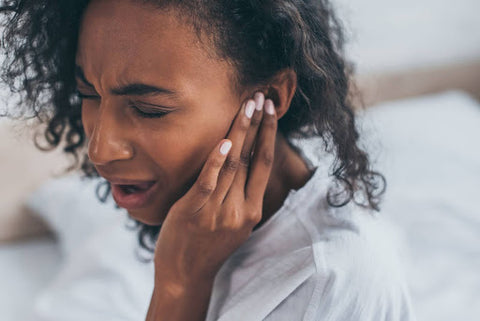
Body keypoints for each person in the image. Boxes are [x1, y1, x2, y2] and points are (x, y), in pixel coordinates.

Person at [0, 0, 416, 320]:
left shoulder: (321, 285)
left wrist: (179, 287)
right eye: (89, 94)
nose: (101, 149)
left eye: (149, 109)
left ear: (267, 100)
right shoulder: (196, 217)